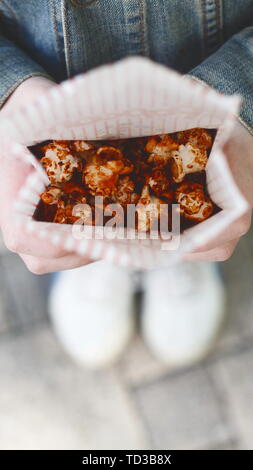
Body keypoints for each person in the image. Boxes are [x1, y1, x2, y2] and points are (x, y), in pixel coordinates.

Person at [0, 0, 252, 368]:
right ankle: (97, 244)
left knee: (196, 192)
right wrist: (8, 96)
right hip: (47, 75)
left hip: (215, 58)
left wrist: (244, 95)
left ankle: (178, 236)